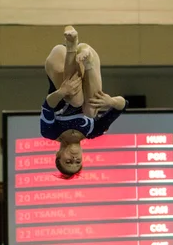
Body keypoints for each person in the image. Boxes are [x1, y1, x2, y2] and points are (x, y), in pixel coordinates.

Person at [41, 26, 127, 177]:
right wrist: (111, 101)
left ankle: (71, 45)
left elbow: (48, 105)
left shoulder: (50, 132)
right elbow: (123, 105)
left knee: (75, 100)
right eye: (78, 162)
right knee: (90, 111)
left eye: (68, 162)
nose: (74, 159)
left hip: (59, 61)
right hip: (86, 57)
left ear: (58, 154)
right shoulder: (94, 131)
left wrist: (62, 92)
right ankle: (87, 61)